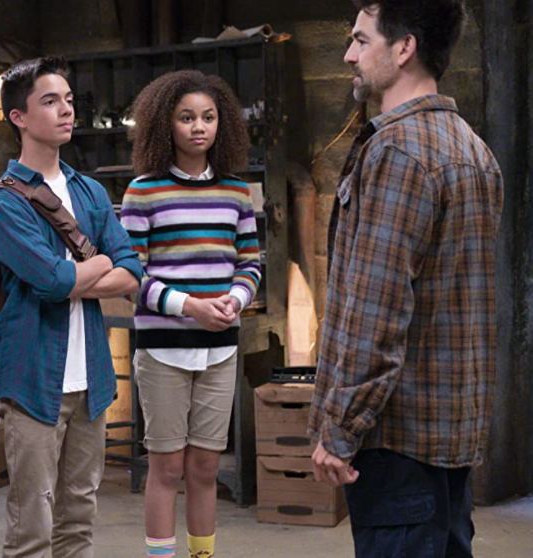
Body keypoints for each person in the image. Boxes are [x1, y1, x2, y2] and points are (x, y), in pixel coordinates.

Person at [308, 1, 503, 556]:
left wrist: (340, 429)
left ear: (404, 48)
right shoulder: (473, 149)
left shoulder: (396, 153)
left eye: (361, 40)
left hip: (396, 443)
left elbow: (377, 311)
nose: (348, 55)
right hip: (448, 440)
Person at [0, 56, 142, 558]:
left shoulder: (88, 191)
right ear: (19, 117)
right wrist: (99, 265)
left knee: (79, 518)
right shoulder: (5, 201)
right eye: (50, 101)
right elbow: (52, 282)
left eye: (69, 100)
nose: (66, 110)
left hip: (91, 380)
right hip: (33, 379)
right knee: (31, 527)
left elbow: (131, 271)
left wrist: (82, 274)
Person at [120, 70, 260, 558]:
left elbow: (249, 265)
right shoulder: (143, 191)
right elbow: (130, 277)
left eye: (208, 117)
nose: (199, 127)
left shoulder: (237, 192)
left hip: (220, 349)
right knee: (166, 468)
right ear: (165, 124)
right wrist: (190, 307)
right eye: (186, 118)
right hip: (163, 351)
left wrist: (234, 300)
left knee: (205, 469)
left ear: (223, 123)